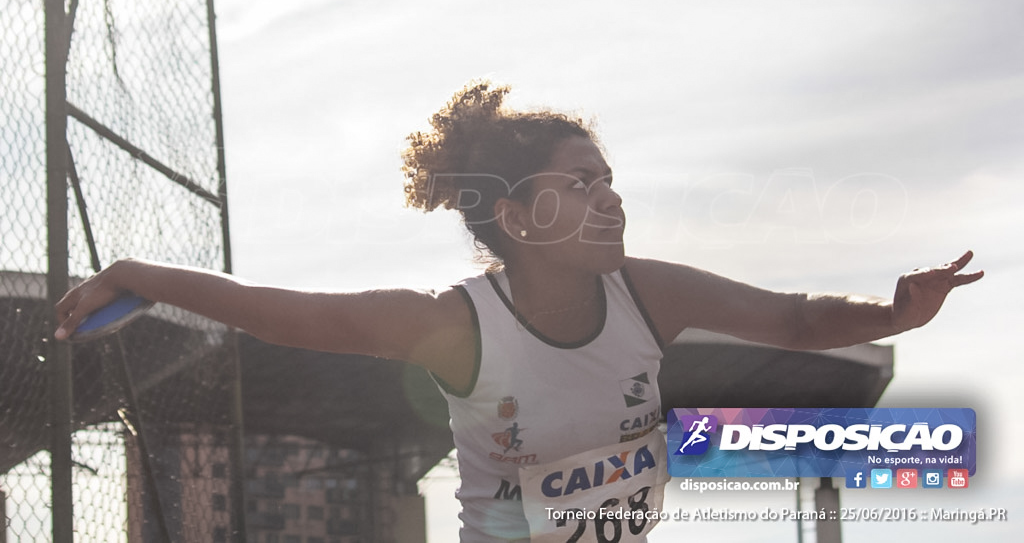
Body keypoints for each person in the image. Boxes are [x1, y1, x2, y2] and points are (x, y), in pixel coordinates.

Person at [54, 79, 983, 542]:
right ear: (515, 216)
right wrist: (144, 273)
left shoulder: (647, 293)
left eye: (611, 178)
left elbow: (791, 318)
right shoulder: (457, 326)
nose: (611, 197)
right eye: (582, 183)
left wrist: (895, 312)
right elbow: (279, 312)